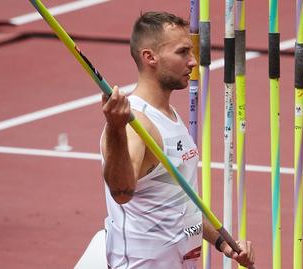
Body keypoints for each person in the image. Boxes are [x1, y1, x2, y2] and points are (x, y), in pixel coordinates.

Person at [100, 11, 255, 269]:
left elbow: (181, 204)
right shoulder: (134, 124)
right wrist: (115, 128)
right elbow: (121, 191)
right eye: (183, 52)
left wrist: (222, 241)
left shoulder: (169, 116)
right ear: (150, 57)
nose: (193, 61)